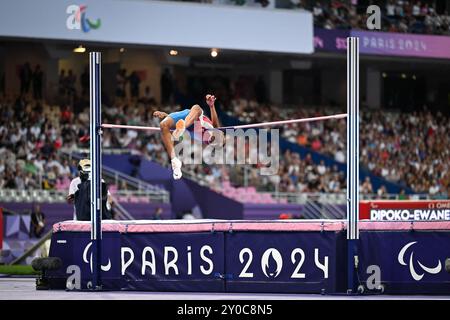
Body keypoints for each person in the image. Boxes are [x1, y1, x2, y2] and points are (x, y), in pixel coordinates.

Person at [153, 94, 223, 180]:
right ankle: (174, 161)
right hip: (188, 116)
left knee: (197, 108)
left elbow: (215, 127)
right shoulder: (214, 132)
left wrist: (211, 106)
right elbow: (216, 126)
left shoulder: (209, 138)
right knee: (163, 125)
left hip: (193, 120)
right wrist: (166, 116)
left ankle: (181, 128)